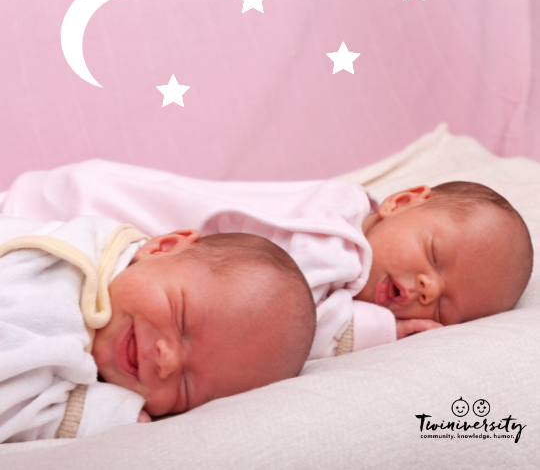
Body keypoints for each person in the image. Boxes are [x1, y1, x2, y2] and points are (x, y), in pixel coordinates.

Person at [0, 160, 534, 358]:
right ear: (399, 202)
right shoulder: (337, 238)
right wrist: (382, 331)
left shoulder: (344, 226)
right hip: (68, 216)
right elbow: (283, 321)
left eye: (446, 309)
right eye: (435, 256)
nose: (426, 289)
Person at [0, 213, 316, 443]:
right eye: (181, 321)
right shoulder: (69, 270)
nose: (167, 361)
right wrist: (82, 416)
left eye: (186, 386)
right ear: (162, 247)